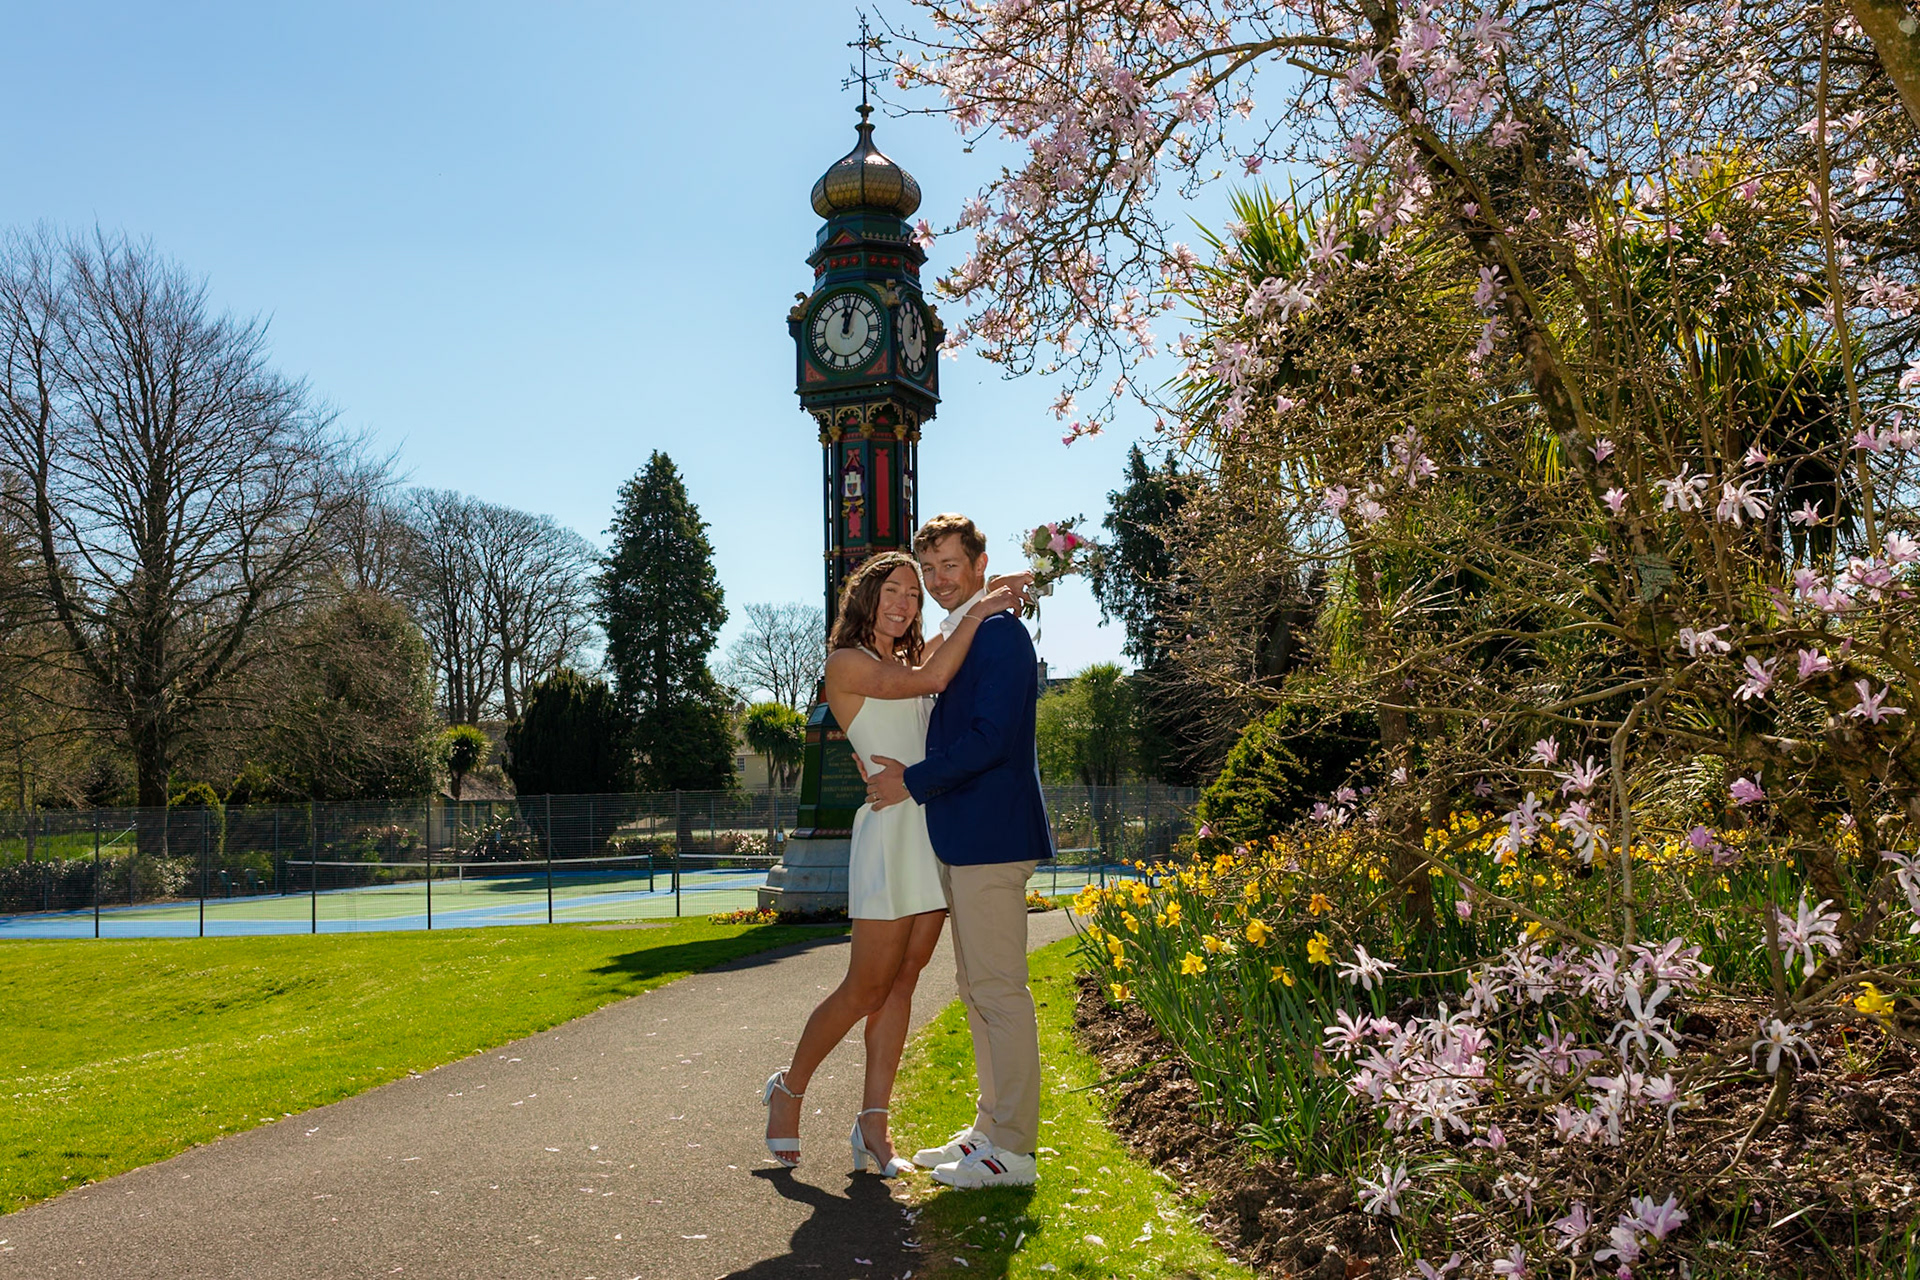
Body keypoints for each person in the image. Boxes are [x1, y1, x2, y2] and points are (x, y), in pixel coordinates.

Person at [762, 551, 1016, 1175]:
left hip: (929, 826)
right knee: (866, 986)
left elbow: (946, 654)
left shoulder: (913, 657)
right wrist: (984, 605)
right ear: (865, 597)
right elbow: (936, 679)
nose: (905, 604)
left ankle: (873, 1123)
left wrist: (992, 592)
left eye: (913, 594)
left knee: (904, 982)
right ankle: (788, 1090)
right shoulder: (846, 662)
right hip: (886, 834)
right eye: (893, 591)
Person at [862, 514, 1053, 1189]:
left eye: (951, 565)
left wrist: (910, 782)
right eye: (930, 569)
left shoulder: (1000, 636)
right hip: (968, 838)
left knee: (999, 992)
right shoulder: (976, 626)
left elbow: (990, 741)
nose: (939, 580)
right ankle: (990, 1130)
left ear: (977, 564)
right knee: (978, 991)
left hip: (992, 839)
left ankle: (1015, 1151)